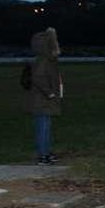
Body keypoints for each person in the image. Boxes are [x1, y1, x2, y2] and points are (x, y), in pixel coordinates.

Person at [27, 28, 62, 165]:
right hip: (41, 101)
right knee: (42, 128)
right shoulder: (43, 60)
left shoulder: (45, 59)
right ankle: (43, 155)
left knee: (46, 127)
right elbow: (38, 78)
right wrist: (50, 92)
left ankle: (46, 152)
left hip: (43, 101)